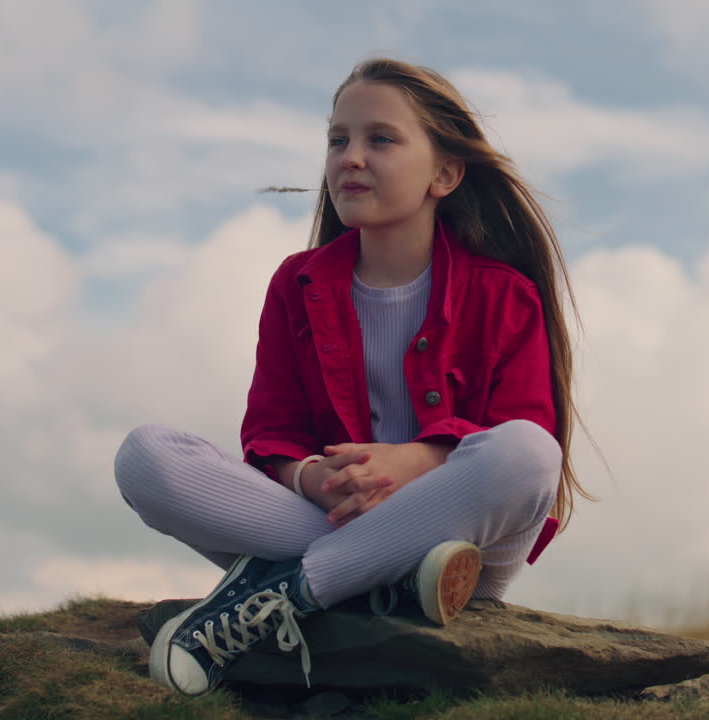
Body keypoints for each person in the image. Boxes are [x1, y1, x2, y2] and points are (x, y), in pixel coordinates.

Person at [114, 57, 588, 696]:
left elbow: (523, 442)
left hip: (464, 544)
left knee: (530, 453)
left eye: (380, 139)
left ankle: (291, 590)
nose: (350, 157)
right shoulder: (296, 283)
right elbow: (271, 433)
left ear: (445, 174)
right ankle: (383, 581)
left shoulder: (505, 297)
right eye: (338, 140)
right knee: (145, 457)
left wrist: (415, 463)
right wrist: (312, 477)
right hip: (345, 526)